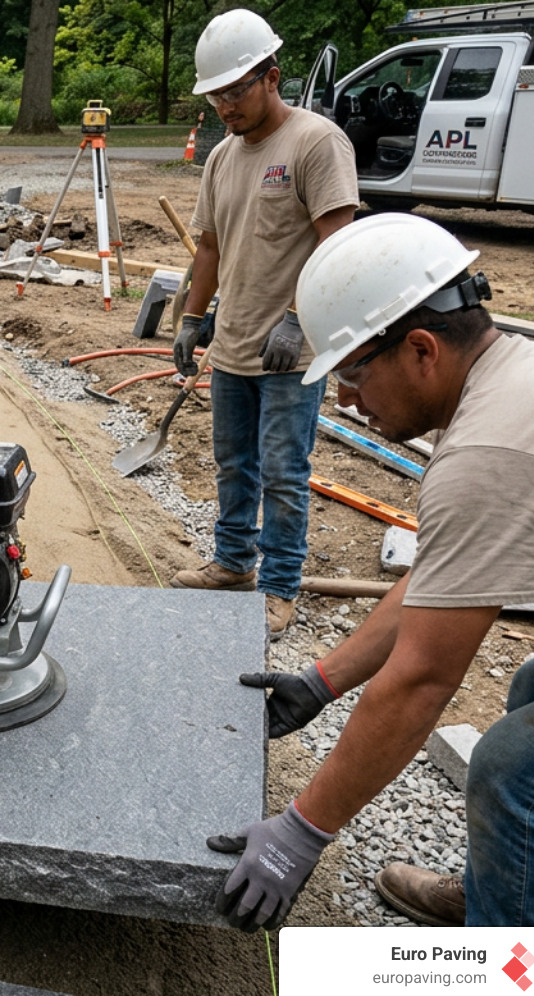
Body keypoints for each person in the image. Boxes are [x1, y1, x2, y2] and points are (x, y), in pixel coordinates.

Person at [210, 213, 534, 996]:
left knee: (519, 769)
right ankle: (503, 904)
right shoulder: (516, 372)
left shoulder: (490, 455)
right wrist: (321, 680)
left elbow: (423, 679)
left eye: (352, 372)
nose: (344, 399)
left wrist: (303, 831)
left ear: (420, 349)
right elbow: (438, 582)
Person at [170, 8, 359, 637]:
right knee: (234, 464)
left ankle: (279, 585)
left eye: (236, 90)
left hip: (289, 353)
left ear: (272, 77)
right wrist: (192, 318)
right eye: (215, 95)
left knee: (284, 474)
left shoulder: (315, 143)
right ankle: (232, 563)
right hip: (234, 345)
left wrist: (299, 320)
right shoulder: (222, 157)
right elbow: (209, 247)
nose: (225, 106)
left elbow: (338, 246)